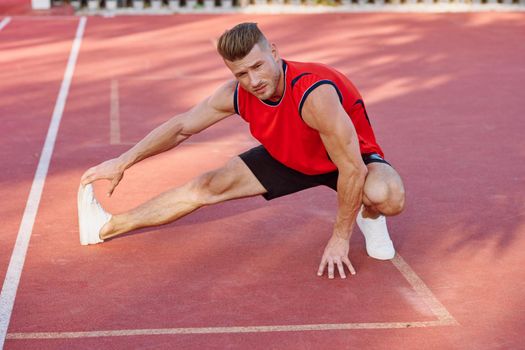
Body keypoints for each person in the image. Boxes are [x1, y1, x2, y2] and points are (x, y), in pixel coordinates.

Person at [79, 22, 405, 280]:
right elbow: (182, 126)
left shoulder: (314, 93)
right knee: (205, 187)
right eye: (241, 74)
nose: (253, 80)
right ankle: (105, 226)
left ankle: (369, 216)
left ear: (274, 52)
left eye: (258, 66)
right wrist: (125, 160)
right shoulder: (237, 93)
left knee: (386, 195)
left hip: (346, 160)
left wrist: (339, 237)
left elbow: (351, 169)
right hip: (288, 157)